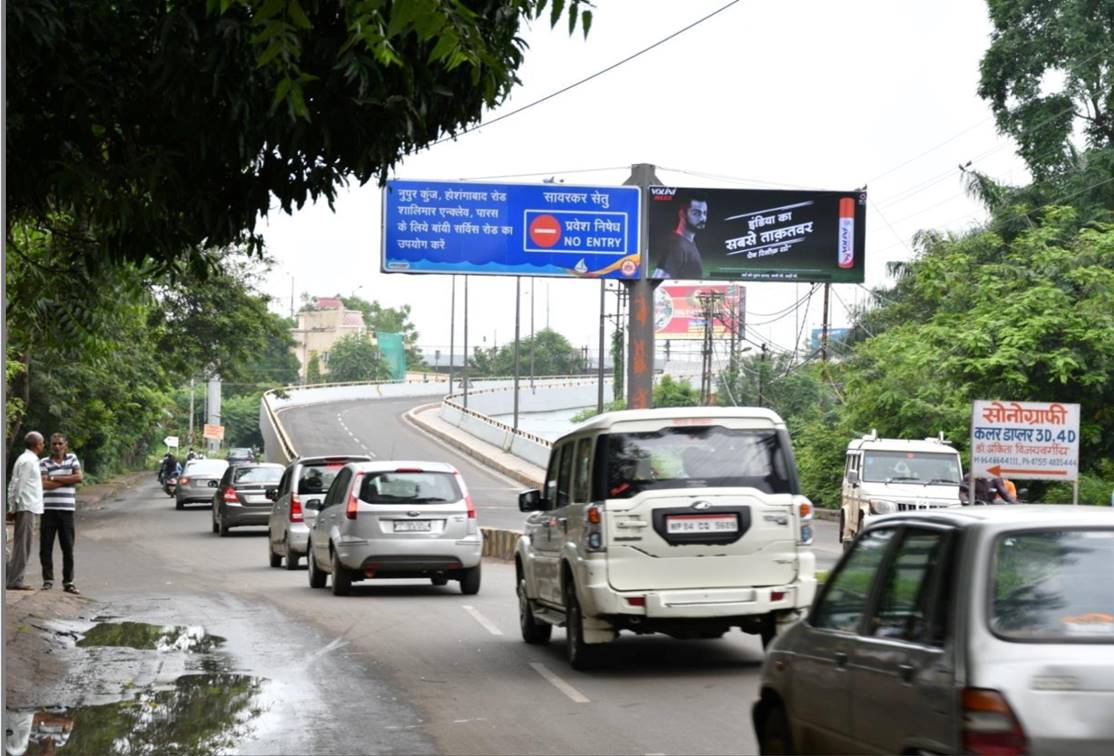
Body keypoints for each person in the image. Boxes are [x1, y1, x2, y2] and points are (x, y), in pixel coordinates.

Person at [40, 433, 83, 594]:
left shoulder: (72, 458)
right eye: (54, 444)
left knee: (68, 548)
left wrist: (53, 477)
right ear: (50, 445)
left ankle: (68, 582)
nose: (57, 446)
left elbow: (79, 477)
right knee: (46, 547)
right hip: (48, 510)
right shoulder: (44, 462)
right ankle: (48, 580)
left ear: (66, 444)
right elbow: (44, 485)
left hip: (67, 511)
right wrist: (67, 478)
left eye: (60, 443)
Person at [6, 431, 45, 591]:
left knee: (22, 544)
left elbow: (14, 484)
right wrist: (13, 507)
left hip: (27, 506)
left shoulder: (27, 459)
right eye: (42, 443)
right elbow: (18, 485)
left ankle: (13, 578)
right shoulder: (28, 461)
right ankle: (15, 580)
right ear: (36, 444)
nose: (43, 445)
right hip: (26, 506)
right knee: (23, 545)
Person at [651, 193, 709, 279]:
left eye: (704, 213)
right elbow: (657, 282)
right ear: (682, 214)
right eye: (696, 213)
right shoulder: (676, 245)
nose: (702, 218)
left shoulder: (688, 241)